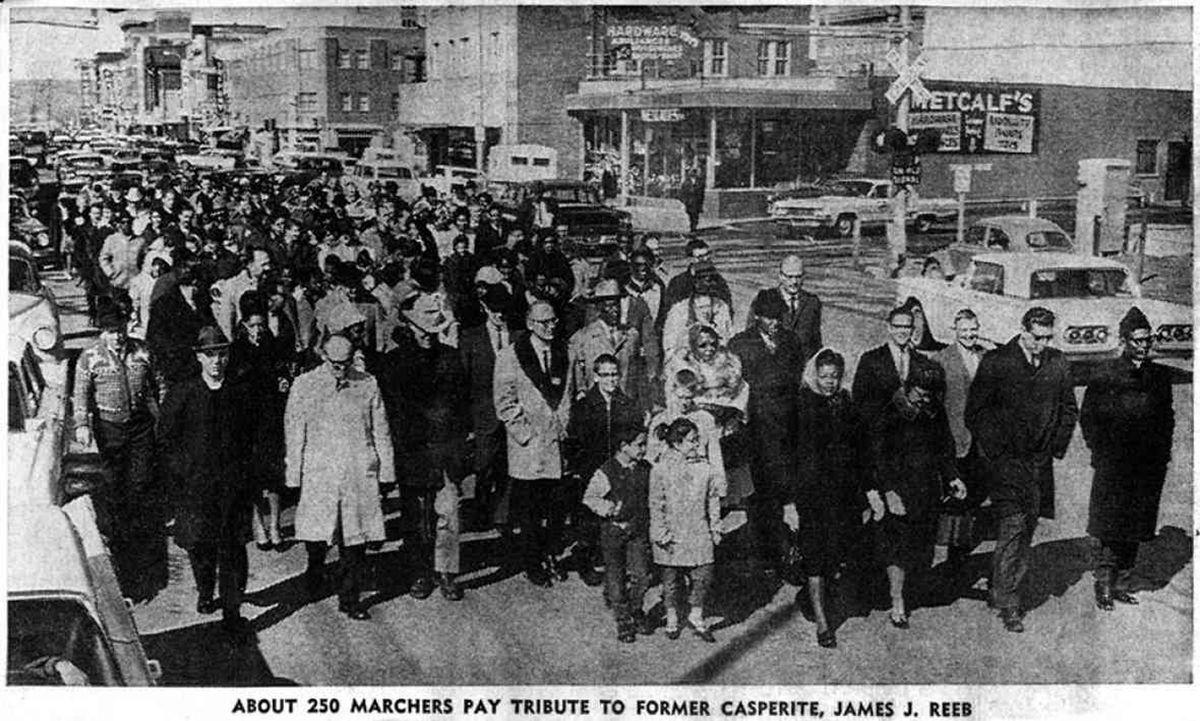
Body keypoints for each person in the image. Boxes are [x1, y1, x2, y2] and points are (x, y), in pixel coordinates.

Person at [965, 307, 1078, 633]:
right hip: (1007, 464)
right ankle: (1009, 602)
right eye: (1036, 337)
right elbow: (976, 412)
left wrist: (1056, 445)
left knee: (1027, 527)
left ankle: (1000, 585)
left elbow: (1069, 408)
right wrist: (996, 453)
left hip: (1039, 464)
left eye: (1047, 337)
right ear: (1023, 331)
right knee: (1013, 527)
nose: (1042, 343)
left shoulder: (1058, 363)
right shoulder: (998, 362)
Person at [285, 334, 395, 621]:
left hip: (357, 470)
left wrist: (386, 471)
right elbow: (294, 432)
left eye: (346, 363)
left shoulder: (367, 384)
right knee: (318, 533)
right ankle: (315, 569)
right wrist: (293, 475)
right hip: (320, 473)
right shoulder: (305, 385)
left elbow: (380, 430)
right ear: (323, 355)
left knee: (355, 539)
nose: (341, 370)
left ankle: (350, 599)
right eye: (335, 364)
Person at [158, 326, 254, 637]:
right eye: (210, 355)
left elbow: (253, 436)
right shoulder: (182, 394)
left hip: (231, 488)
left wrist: (249, 475)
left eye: (222, 354)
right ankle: (204, 589)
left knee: (233, 549)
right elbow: (167, 441)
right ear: (199, 357)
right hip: (195, 489)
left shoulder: (241, 392)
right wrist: (182, 475)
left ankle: (232, 611)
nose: (217, 361)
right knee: (200, 547)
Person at [1081, 306, 1175, 612]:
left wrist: (1162, 455)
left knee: (1136, 522)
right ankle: (1104, 584)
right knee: (1111, 523)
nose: (1144, 346)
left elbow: (1167, 419)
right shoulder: (1106, 373)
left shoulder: (1160, 376)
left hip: (1148, 464)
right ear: (1124, 341)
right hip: (1115, 462)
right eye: (1137, 340)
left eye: (1148, 340)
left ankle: (1122, 582)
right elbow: (1089, 417)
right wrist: (1099, 450)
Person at [378, 290, 470, 601]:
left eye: (433, 330)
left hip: (445, 454)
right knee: (415, 518)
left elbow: (462, 410)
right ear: (409, 326)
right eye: (422, 329)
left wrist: (458, 450)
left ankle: (446, 572)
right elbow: (391, 414)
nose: (428, 336)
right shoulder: (393, 364)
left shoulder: (451, 358)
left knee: (448, 514)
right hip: (412, 453)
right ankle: (419, 571)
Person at [72, 300, 163, 599]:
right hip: (109, 428)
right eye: (111, 331)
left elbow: (160, 384)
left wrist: (166, 417)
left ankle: (140, 532)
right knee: (114, 486)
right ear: (103, 332)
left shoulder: (143, 351)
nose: (118, 336)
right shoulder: (90, 358)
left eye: (121, 329)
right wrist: (82, 426)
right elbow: (81, 395)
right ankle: (119, 532)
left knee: (141, 482)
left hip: (139, 426)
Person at [866, 363, 965, 630]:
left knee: (922, 547)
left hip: (927, 489)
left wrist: (953, 476)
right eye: (920, 393)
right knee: (897, 550)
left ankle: (912, 591)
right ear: (908, 388)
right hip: (898, 490)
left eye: (929, 394)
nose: (924, 399)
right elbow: (877, 457)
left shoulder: (934, 411)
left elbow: (945, 447)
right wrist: (888, 492)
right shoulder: (890, 414)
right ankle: (897, 600)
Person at [493, 301, 573, 587]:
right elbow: (505, 402)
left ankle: (551, 554)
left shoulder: (566, 352)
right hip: (528, 446)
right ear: (530, 324)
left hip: (557, 442)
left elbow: (568, 394)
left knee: (555, 508)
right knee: (529, 509)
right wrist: (525, 434)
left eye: (553, 321)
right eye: (543, 323)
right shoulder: (510, 356)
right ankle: (532, 561)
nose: (550, 327)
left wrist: (564, 426)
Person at [729, 292, 805, 577]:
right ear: (757, 316)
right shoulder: (740, 344)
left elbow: (796, 378)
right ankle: (762, 555)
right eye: (769, 317)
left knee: (784, 492)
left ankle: (785, 551)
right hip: (756, 431)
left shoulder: (791, 341)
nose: (775, 322)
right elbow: (733, 386)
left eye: (778, 317)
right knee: (759, 496)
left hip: (786, 429)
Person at [793, 348, 864, 648]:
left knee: (835, 553)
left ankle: (819, 602)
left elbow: (859, 449)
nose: (829, 382)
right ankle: (823, 623)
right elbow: (791, 455)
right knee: (815, 558)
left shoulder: (847, 404)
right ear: (815, 375)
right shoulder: (802, 404)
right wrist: (789, 501)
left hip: (841, 493)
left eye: (834, 377)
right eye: (824, 376)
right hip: (811, 493)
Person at [565, 354, 644, 587]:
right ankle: (585, 560)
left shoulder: (627, 404)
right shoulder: (584, 406)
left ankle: (617, 565)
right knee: (590, 519)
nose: (611, 379)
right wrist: (579, 468)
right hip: (591, 468)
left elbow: (634, 435)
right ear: (596, 376)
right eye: (606, 375)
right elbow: (574, 440)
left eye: (614, 374)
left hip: (618, 468)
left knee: (618, 514)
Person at [650, 417, 724, 643]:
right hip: (671, 532)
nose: (697, 445)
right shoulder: (661, 469)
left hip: (698, 529)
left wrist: (715, 527)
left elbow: (712, 499)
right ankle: (672, 617)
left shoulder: (705, 468)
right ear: (677, 442)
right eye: (692, 441)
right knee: (671, 580)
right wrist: (660, 532)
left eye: (697, 440)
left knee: (704, 573)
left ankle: (696, 614)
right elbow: (655, 503)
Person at [227, 292, 292, 550]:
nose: (257, 330)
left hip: (270, 418)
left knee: (274, 475)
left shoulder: (272, 345)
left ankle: (275, 524)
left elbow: (283, 372)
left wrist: (283, 381)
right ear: (243, 325)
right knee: (251, 476)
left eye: (261, 325)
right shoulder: (236, 351)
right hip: (246, 422)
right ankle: (259, 526)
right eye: (252, 325)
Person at [582, 427, 654, 643]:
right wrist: (608, 508)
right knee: (615, 576)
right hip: (614, 531)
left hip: (638, 530)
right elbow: (590, 497)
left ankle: (636, 608)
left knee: (642, 575)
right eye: (640, 444)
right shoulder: (606, 471)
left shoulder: (646, 468)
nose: (644, 449)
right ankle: (623, 618)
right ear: (624, 446)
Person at [852, 305, 936, 420]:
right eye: (897, 326)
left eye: (906, 327)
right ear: (889, 327)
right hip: (880, 432)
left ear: (912, 330)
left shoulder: (922, 361)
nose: (902, 331)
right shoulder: (871, 359)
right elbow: (859, 400)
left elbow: (931, 405)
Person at [569, 279, 643, 397]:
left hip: (625, 405)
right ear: (599, 308)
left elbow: (637, 373)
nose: (615, 310)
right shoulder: (583, 337)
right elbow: (579, 376)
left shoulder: (631, 335)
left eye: (617, 305)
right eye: (609, 306)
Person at [745, 255, 822, 363]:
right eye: (789, 277)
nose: (794, 282)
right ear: (780, 276)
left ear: (804, 277)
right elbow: (751, 336)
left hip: (803, 366)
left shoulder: (812, 302)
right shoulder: (765, 298)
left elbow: (815, 342)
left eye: (798, 277)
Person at [661, 265, 734, 361]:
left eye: (712, 280)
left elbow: (728, 338)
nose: (710, 284)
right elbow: (669, 345)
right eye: (705, 279)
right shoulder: (679, 309)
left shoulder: (722, 307)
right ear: (695, 282)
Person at [662, 239, 732, 314]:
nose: (705, 260)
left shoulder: (718, 281)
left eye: (707, 255)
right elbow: (668, 311)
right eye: (700, 257)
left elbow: (728, 309)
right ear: (690, 259)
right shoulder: (677, 283)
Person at [678, 168, 705, 234]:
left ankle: (694, 227)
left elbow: (702, 193)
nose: (694, 175)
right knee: (690, 215)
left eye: (695, 173)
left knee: (696, 215)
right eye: (692, 173)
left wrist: (701, 202)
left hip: (697, 202)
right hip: (689, 202)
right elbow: (681, 193)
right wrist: (684, 201)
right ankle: (692, 226)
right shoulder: (686, 182)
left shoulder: (700, 182)